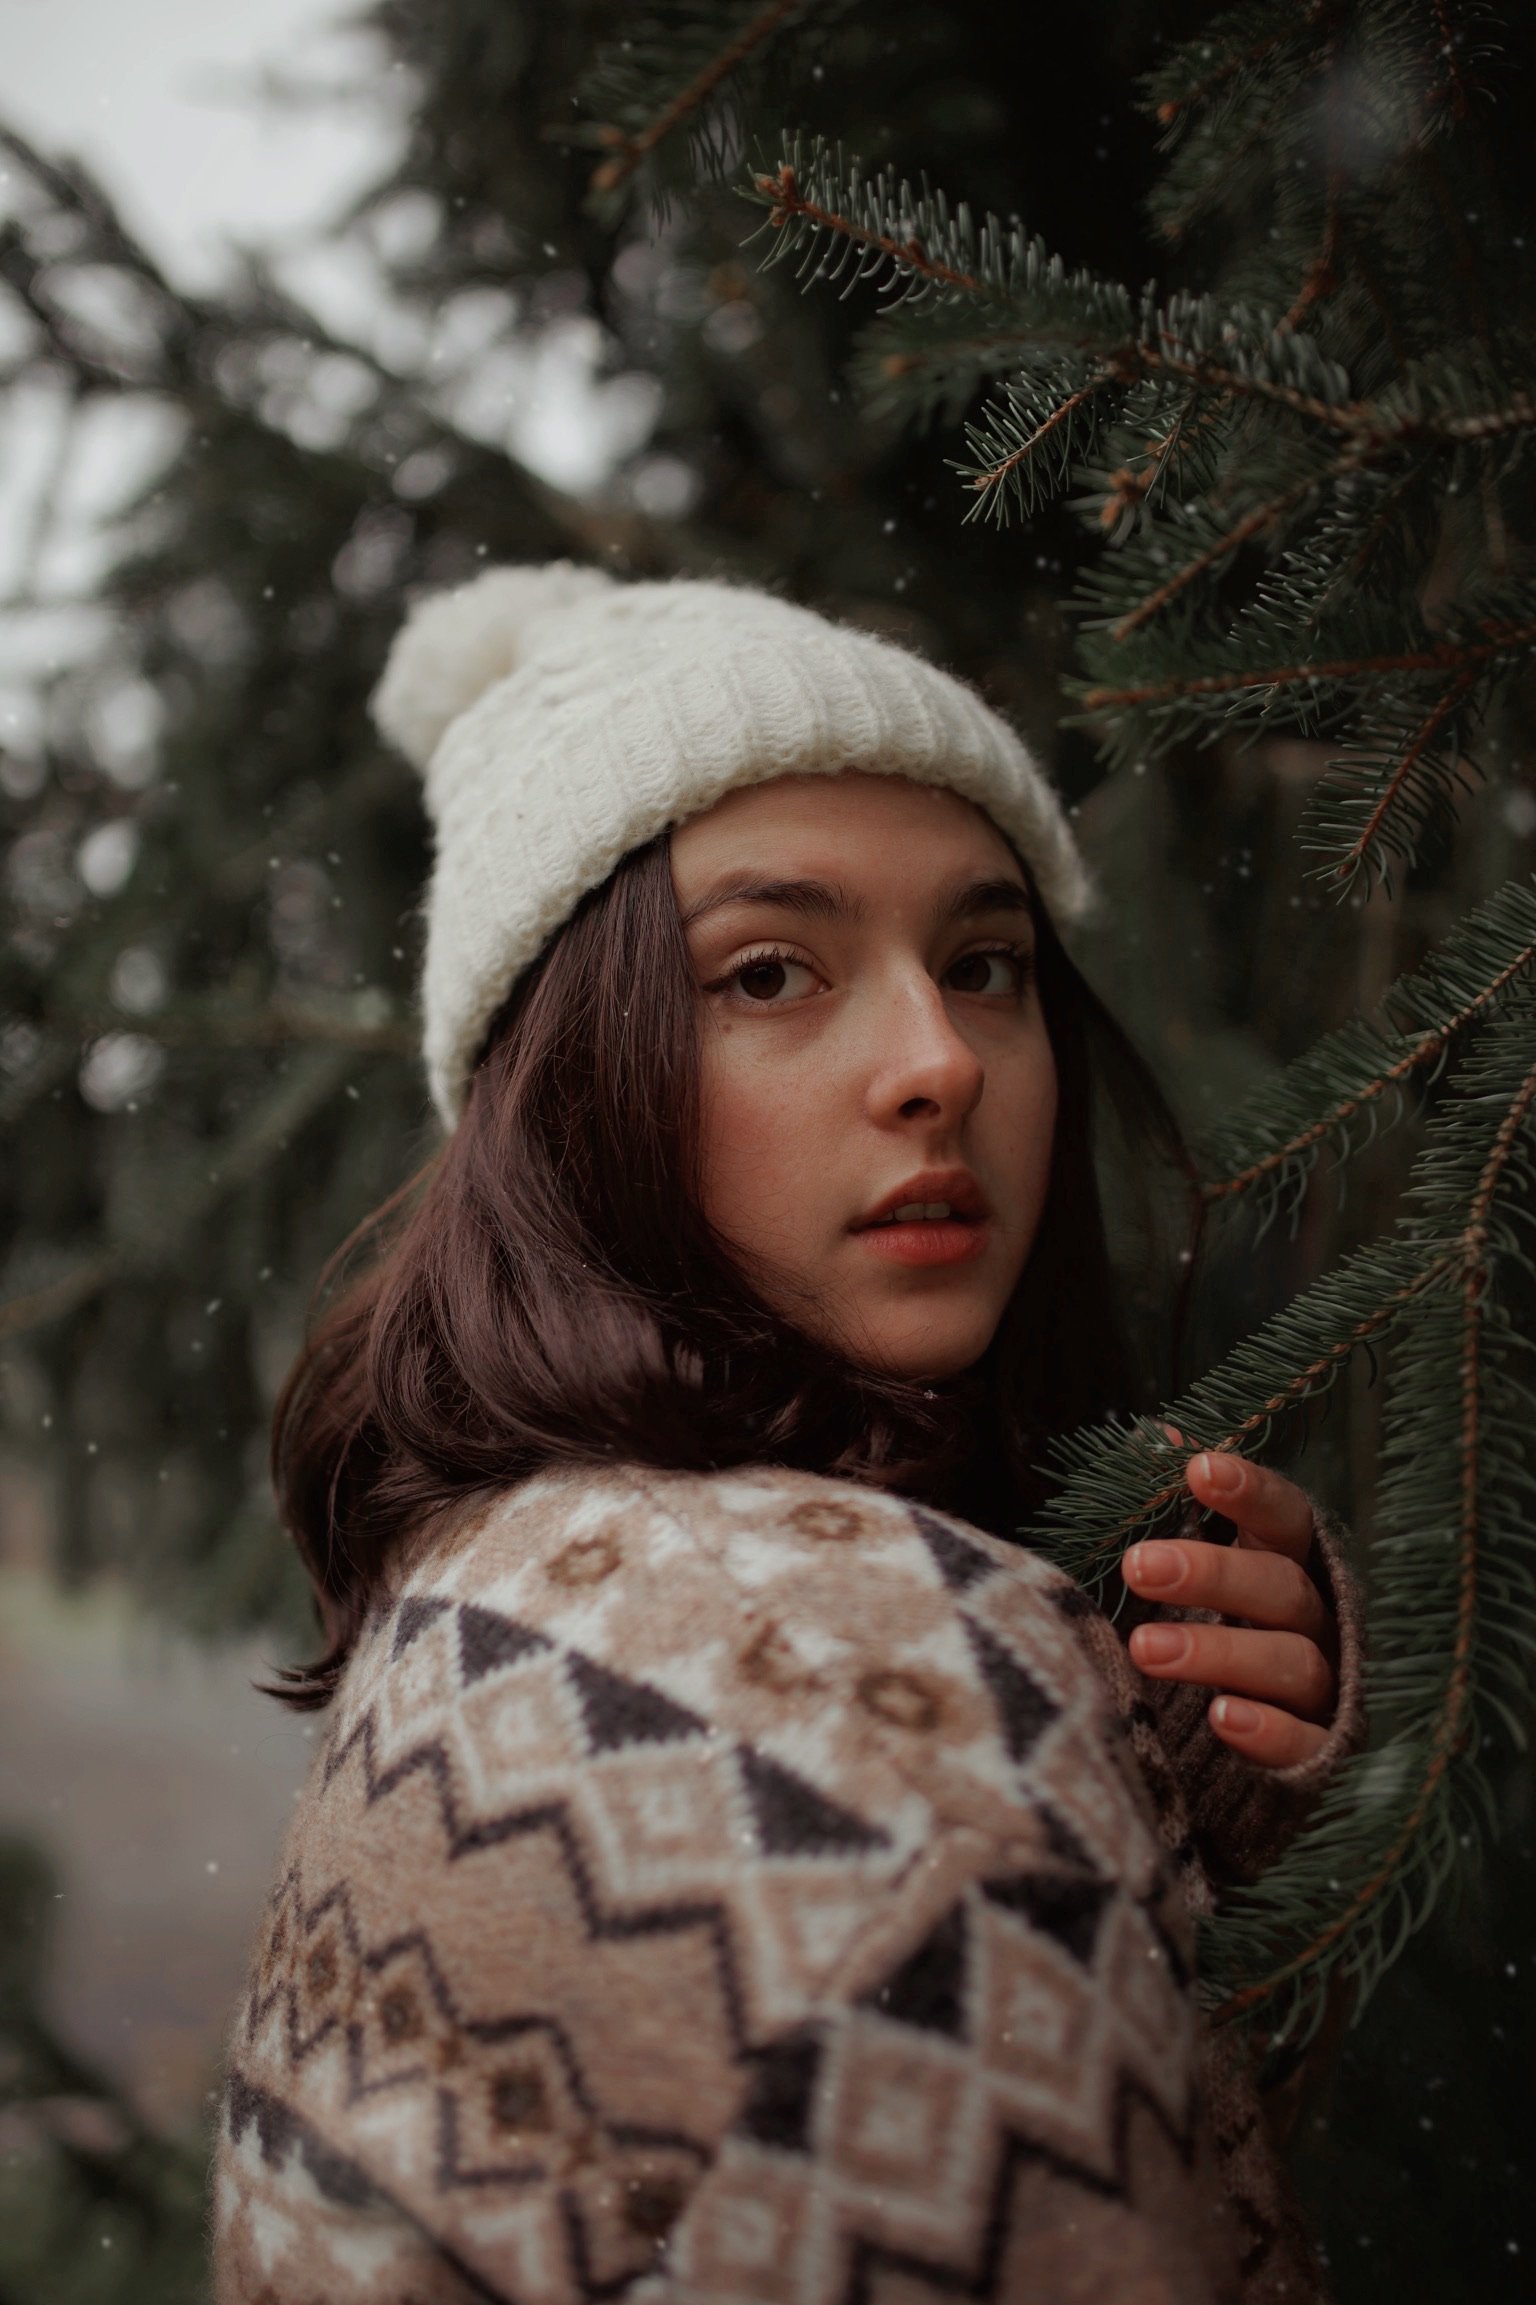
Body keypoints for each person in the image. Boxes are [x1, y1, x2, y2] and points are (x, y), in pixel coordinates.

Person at [213, 566, 1362, 2305]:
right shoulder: (853, 1691)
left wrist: (1182, 1790)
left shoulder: (514, 1574)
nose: (939, 1060)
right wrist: (994, 1763)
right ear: (569, 1082)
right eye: (768, 972)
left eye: (984, 962)